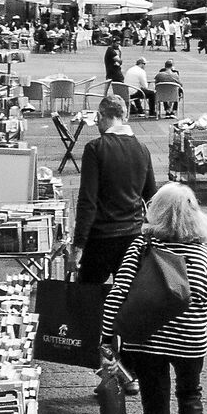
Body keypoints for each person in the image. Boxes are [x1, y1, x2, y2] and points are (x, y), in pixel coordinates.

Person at [102, 183, 207, 414]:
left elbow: (119, 292)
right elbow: (201, 301)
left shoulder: (143, 246)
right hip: (190, 342)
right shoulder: (202, 252)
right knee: (190, 398)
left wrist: (106, 335)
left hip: (146, 340)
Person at [72, 92, 157, 283]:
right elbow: (151, 196)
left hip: (100, 238)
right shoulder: (142, 149)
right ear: (124, 117)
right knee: (127, 300)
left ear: (101, 116)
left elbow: (88, 200)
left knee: (88, 299)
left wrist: (78, 245)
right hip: (132, 237)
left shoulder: (95, 148)